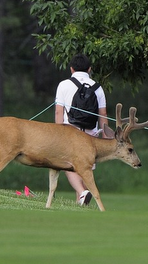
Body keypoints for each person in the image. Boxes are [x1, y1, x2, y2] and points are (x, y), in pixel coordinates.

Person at [55, 54, 108, 206]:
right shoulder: (98, 88)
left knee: (69, 165)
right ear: (89, 69)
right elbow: (103, 114)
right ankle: (81, 201)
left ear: (71, 69)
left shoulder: (64, 85)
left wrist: (57, 134)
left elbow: (59, 112)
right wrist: (105, 137)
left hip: (69, 132)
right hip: (90, 134)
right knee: (85, 168)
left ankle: (83, 192)